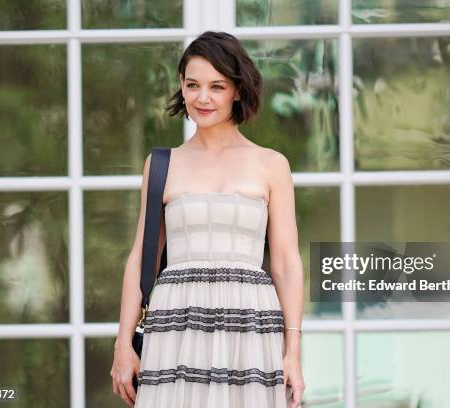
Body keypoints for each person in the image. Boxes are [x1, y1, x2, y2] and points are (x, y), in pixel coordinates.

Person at [110, 30, 306, 408]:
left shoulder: (271, 165)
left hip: (251, 325)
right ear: (181, 87)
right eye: (193, 84)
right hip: (174, 324)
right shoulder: (162, 164)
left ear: (237, 89)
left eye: (217, 86)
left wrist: (293, 350)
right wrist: (122, 343)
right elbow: (141, 258)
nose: (203, 98)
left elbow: (286, 262)